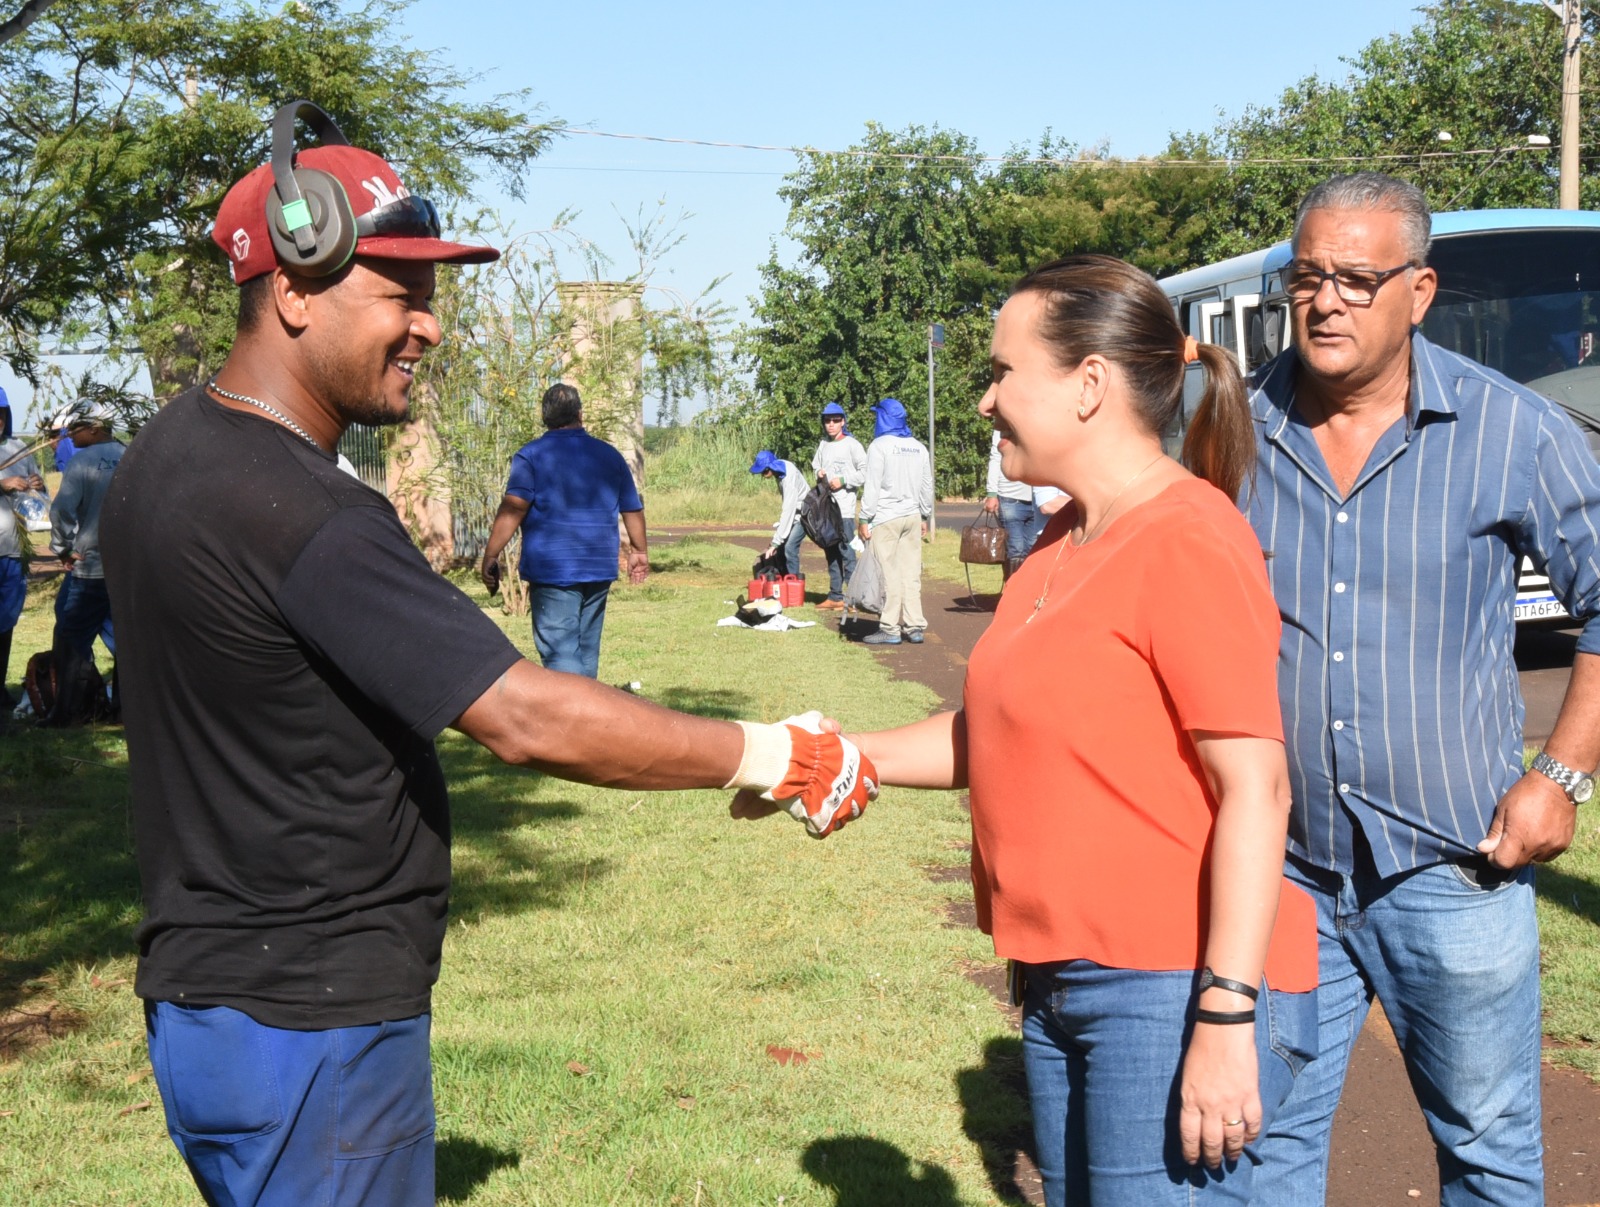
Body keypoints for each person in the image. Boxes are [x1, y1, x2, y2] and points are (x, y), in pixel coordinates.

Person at [99, 107, 877, 1207]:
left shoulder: (165, 455)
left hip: (205, 1008)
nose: (428, 327)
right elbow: (527, 718)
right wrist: (772, 752)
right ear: (293, 288)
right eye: (400, 295)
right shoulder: (305, 511)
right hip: (314, 1026)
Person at [748, 255, 1320, 1205]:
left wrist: (1225, 1013)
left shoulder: (1186, 535)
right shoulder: (1060, 541)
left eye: (1004, 370)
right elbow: (1001, 733)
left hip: (1170, 983)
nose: (983, 400)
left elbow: (1256, 788)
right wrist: (837, 754)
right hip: (1063, 982)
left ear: (1088, 385)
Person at [1242, 174, 1600, 1207]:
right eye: (1308, 277)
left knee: (1488, 1159)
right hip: (1281, 873)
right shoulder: (1233, 431)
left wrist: (1561, 779)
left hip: (1456, 868)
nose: (1326, 301)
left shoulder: (1510, 429)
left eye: (1357, 279)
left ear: (1420, 290)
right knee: (1258, 1150)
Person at [478, 383, 647, 679]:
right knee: (585, 650)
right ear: (580, 414)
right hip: (598, 569)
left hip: (554, 571)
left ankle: (577, 721)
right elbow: (632, 508)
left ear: (544, 417)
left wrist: (491, 554)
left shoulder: (531, 456)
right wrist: (640, 551)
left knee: (561, 656)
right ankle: (590, 718)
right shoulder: (609, 455)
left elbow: (514, 508)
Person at [44, 399, 123, 726]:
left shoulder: (81, 462)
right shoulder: (134, 455)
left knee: (71, 638)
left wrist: (62, 548)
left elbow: (62, 511)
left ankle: (69, 713)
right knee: (126, 642)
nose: (68, 434)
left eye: (75, 428)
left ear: (95, 428)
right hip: (126, 571)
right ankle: (123, 710)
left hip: (89, 569)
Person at [857, 398, 932, 646]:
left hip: (886, 518)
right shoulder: (919, 447)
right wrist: (925, 515)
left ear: (883, 418)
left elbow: (872, 486)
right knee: (911, 573)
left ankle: (889, 628)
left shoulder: (879, 446)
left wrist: (865, 517)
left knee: (888, 574)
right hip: (912, 517)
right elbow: (926, 485)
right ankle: (915, 626)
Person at [0, 392, 47, 706]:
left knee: (6, 622)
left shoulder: (18, 448)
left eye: (2, 414)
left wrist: (37, 483)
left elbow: (38, 489)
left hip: (14, 549)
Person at [811, 402, 867, 609]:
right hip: (825, 510)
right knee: (831, 551)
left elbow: (866, 471)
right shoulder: (823, 445)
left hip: (843, 509)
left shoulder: (852, 444)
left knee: (847, 552)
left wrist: (843, 480)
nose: (831, 424)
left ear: (843, 421)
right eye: (827, 421)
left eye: (836, 420)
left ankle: (853, 597)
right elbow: (816, 464)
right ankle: (836, 596)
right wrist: (819, 473)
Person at [983, 428, 1043, 579]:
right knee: (1016, 548)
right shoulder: (1003, 426)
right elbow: (995, 457)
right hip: (1010, 497)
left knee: (1033, 548)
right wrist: (992, 493)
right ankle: (1012, 594)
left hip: (1036, 499)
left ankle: (1028, 592)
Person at [750, 448, 808, 577]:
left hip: (806, 515)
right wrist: (778, 539)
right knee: (781, 550)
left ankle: (794, 585)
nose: (763, 474)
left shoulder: (788, 479)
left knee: (790, 548)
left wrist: (776, 541)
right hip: (796, 514)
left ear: (771, 466)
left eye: (764, 471)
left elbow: (789, 510)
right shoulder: (780, 470)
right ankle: (782, 583)